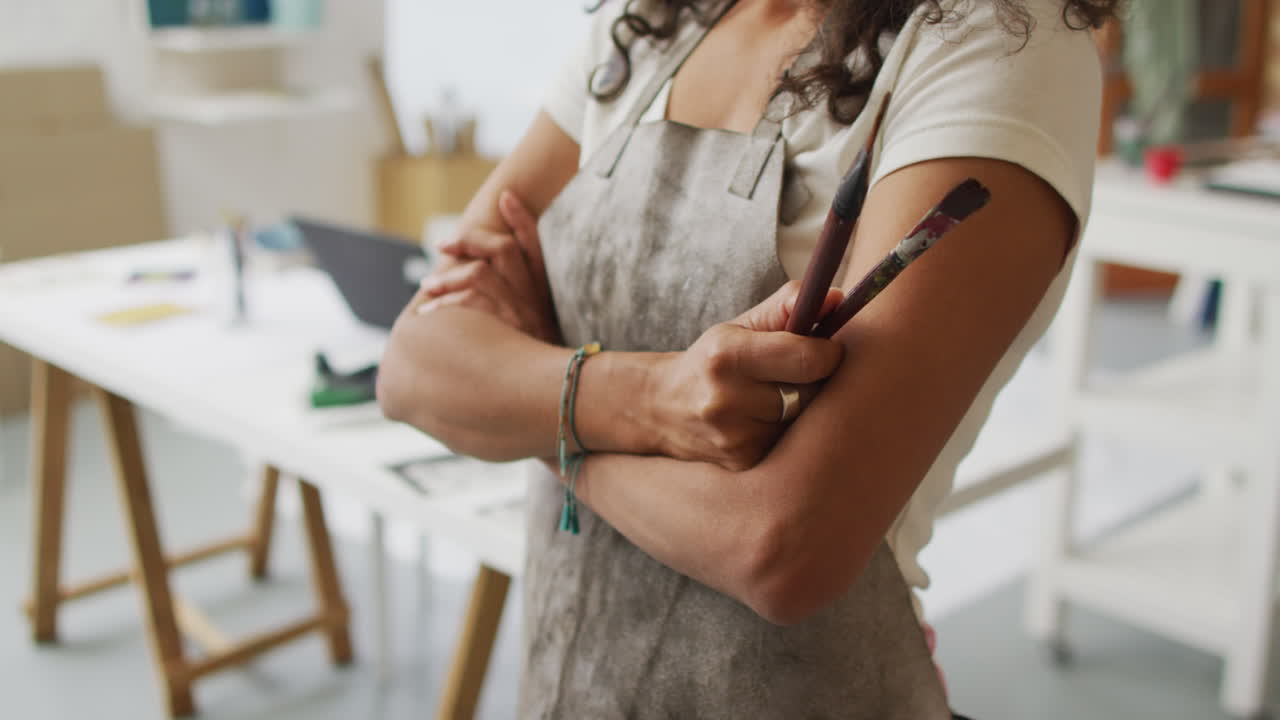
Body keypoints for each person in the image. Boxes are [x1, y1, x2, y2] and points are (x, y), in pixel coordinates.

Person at [378, 0, 1117, 716]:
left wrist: (536, 413)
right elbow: (412, 367)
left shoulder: (1003, 39)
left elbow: (780, 548)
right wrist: (652, 400)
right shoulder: (650, 22)